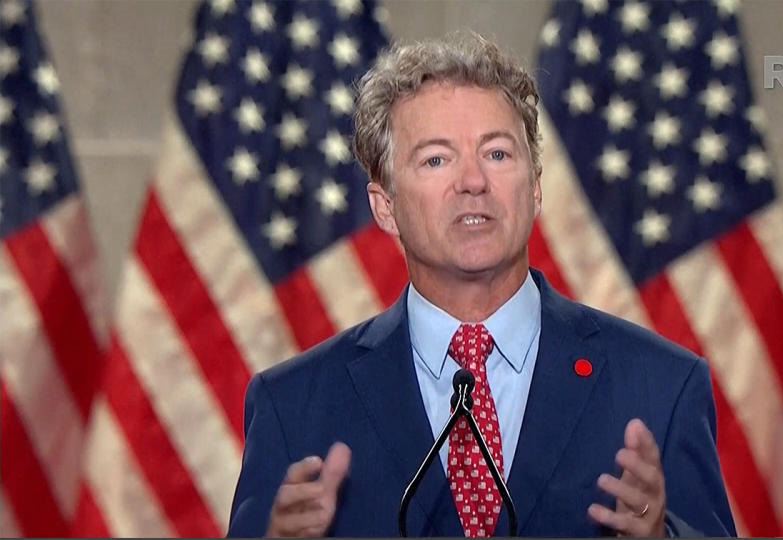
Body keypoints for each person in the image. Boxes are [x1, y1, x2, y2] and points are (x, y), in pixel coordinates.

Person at [227, 33, 735, 538]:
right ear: (385, 207)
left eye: (496, 154)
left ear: (535, 188)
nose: (473, 181)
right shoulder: (293, 407)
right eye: (436, 159)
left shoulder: (659, 387)